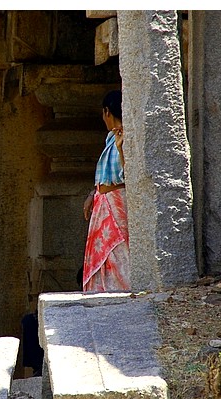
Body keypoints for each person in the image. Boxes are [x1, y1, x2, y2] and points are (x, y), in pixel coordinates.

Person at [82, 90, 131, 292]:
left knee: (119, 251)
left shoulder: (126, 136)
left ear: (107, 112)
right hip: (105, 202)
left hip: (118, 203)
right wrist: (93, 195)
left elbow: (130, 174)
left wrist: (122, 149)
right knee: (104, 257)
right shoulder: (110, 138)